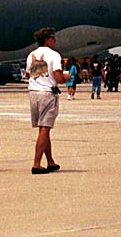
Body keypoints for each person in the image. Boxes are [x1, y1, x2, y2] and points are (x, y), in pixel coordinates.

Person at [26, 27, 69, 174]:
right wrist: (66, 78)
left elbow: (28, 75)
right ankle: (36, 164)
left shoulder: (31, 54)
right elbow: (58, 77)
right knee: (45, 129)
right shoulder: (54, 55)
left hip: (33, 92)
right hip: (47, 94)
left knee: (43, 129)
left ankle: (50, 161)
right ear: (47, 39)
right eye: (53, 38)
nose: (55, 40)